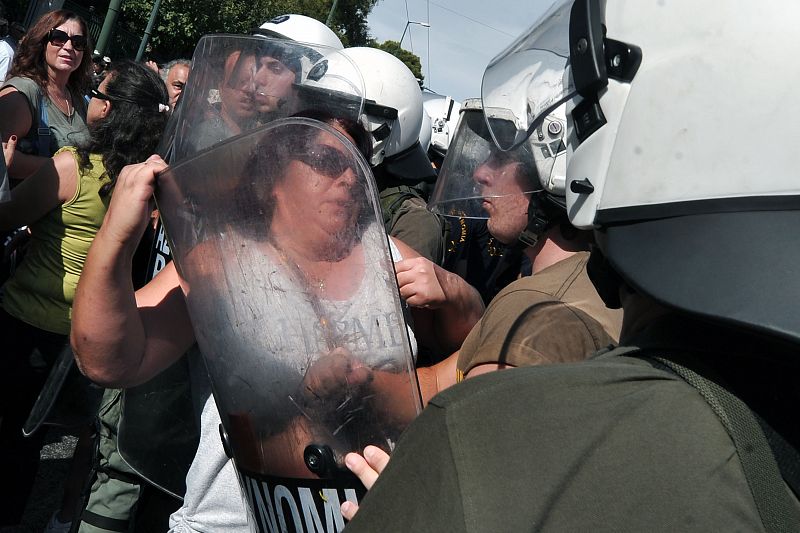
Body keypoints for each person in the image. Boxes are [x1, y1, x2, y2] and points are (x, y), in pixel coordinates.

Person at [342, 1, 800, 531]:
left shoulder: (538, 305)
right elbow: (445, 379)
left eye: (507, 155)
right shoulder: (569, 290)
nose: (483, 174)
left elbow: (472, 442)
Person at [71, 110, 482, 532]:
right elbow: (108, 360)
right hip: (235, 521)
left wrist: (457, 296)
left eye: (358, 163)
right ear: (272, 176)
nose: (349, 177)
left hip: (363, 514)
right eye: (326, 161)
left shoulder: (389, 254)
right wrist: (116, 239)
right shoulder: (222, 261)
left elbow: (477, 350)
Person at [0, 59, 169, 529]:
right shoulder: (150, 183)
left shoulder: (73, 167)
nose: (91, 97)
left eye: (100, 92)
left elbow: (7, 216)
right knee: (30, 440)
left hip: (26, 321)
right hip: (85, 335)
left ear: (110, 111)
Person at [0, 9, 92, 179]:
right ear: (42, 42)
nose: (69, 47)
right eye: (59, 38)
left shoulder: (78, 98)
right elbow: (4, 159)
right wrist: (70, 168)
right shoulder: (22, 92)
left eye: (78, 42)